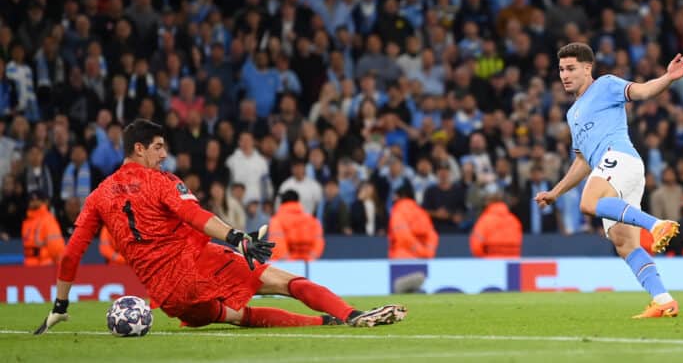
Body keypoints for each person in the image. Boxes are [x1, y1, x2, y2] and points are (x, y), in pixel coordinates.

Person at [34, 119, 406, 335]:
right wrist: (237, 238)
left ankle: (322, 322)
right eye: (158, 147)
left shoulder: (98, 195)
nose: (164, 155)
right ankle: (353, 316)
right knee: (284, 281)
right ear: (138, 149)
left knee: (240, 317)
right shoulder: (161, 182)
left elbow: (71, 254)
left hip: (170, 299)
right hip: (194, 265)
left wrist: (61, 304)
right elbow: (196, 217)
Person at [535, 43, 683, 318]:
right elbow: (582, 161)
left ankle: (657, 224)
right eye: (560, 69)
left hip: (620, 158)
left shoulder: (605, 85)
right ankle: (663, 300)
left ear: (587, 68)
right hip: (612, 171)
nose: (564, 75)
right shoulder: (572, 114)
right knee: (625, 244)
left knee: (589, 202)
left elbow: (641, 91)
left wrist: (667, 78)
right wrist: (555, 192)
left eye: (570, 68)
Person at [268, 190, 325, 261]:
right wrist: (309, 260)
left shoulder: (276, 220)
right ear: (298, 201)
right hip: (308, 265)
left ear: (281, 203)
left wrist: (291, 264)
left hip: (285, 267)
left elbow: (277, 245)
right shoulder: (313, 221)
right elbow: (318, 244)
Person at [470, 184, 523, 258]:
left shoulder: (484, 220)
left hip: (491, 264)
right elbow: (518, 247)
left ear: (487, 201)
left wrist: (486, 259)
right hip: (511, 265)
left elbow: (476, 247)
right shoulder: (514, 220)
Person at [388, 184, 438, 259]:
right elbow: (433, 235)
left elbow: (402, 235)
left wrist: (419, 250)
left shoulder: (398, 210)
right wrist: (427, 252)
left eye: (395, 196)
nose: (393, 198)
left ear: (402, 196)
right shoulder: (421, 212)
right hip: (423, 260)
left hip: (401, 259)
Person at [22, 190, 65, 266]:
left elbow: (56, 246)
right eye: (31, 200)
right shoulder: (27, 222)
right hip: (29, 265)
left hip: (44, 265)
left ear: (44, 202)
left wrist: (59, 264)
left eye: (37, 200)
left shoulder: (47, 219)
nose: (34, 202)